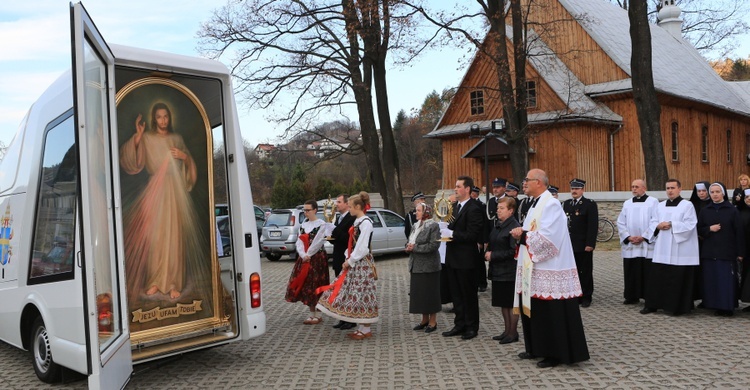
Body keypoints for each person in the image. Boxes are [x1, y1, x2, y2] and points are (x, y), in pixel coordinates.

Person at [120, 102, 207, 302]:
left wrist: (185, 157)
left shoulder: (177, 139)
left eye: (166, 116)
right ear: (154, 119)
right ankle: (155, 281)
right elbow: (130, 161)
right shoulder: (148, 138)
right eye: (159, 117)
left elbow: (190, 168)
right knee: (156, 237)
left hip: (175, 191)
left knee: (174, 237)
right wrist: (139, 135)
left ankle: (173, 283)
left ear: (170, 118)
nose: (163, 120)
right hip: (155, 192)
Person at [511, 169, 589, 368]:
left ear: (539, 182)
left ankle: (554, 353)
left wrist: (524, 234)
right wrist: (522, 235)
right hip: (534, 267)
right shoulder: (533, 204)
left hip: (550, 267)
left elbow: (549, 237)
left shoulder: (551, 204)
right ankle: (536, 348)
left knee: (551, 312)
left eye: (527, 180)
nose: (524, 183)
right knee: (536, 310)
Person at [317, 192, 378, 340]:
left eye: (350, 206)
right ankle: (361, 327)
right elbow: (352, 243)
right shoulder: (358, 222)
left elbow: (362, 247)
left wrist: (350, 260)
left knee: (363, 293)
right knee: (356, 293)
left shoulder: (366, 223)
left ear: (358, 207)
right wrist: (347, 256)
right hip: (355, 262)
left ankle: (366, 328)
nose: (349, 209)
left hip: (362, 263)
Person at [641, 179, 699, 316]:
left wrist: (672, 224)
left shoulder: (687, 205)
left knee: (676, 279)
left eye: (673, 188)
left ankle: (675, 307)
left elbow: (691, 224)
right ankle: (652, 305)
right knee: (657, 278)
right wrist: (658, 226)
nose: (670, 191)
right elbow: (653, 221)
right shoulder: (660, 206)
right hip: (662, 249)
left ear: (680, 189)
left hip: (680, 249)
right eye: (667, 188)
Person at [439, 176, 484, 340]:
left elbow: (473, 235)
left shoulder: (474, 208)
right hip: (453, 258)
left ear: (467, 189)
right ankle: (459, 324)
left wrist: (452, 234)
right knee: (456, 294)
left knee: (468, 294)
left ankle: (471, 327)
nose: (455, 189)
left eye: (458, 187)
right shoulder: (455, 207)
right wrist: (444, 228)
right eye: (455, 186)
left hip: (466, 259)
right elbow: (451, 226)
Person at [697, 183, 743, 316]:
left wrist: (740, 252)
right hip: (710, 251)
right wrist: (709, 229)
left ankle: (727, 307)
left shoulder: (732, 210)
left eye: (717, 191)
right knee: (712, 280)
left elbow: (739, 232)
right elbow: (699, 229)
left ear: (723, 193)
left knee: (725, 281)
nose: (715, 194)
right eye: (712, 192)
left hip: (726, 251)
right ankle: (714, 304)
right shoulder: (705, 210)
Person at [285, 200, 330, 324]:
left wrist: (309, 254)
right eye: (304, 210)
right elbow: (299, 241)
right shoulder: (303, 224)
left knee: (316, 283)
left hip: (317, 258)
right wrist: (303, 254)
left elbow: (319, 241)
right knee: (307, 285)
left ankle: (318, 314)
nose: (306, 212)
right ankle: (311, 313)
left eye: (308, 210)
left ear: (315, 210)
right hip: (305, 258)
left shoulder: (321, 224)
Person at [616, 179, 659, 304]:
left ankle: (648, 296)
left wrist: (644, 237)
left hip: (645, 243)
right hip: (631, 244)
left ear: (644, 188)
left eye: (636, 187)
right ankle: (631, 296)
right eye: (632, 186)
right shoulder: (627, 203)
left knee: (647, 271)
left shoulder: (653, 202)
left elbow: (655, 220)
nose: (634, 189)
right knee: (631, 270)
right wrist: (628, 237)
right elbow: (620, 222)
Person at [486, 197, 521, 344]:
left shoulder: (513, 227)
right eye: (498, 208)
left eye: (502, 208)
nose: (498, 211)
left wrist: (493, 255)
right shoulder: (499, 224)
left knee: (511, 304)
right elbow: (493, 241)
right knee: (503, 303)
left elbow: (514, 252)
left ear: (511, 211)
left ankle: (513, 332)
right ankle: (507, 331)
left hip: (509, 272)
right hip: (498, 270)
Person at [405, 203, 442, 333]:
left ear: (426, 212)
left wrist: (415, 248)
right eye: (416, 210)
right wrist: (408, 246)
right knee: (420, 294)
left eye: (419, 210)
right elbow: (410, 240)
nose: (416, 213)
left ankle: (433, 321)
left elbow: (433, 246)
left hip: (429, 266)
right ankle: (424, 319)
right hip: (416, 265)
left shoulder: (433, 226)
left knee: (430, 294)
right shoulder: (415, 226)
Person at [562, 178, 598, 307]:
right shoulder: (566, 204)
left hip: (583, 244)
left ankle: (587, 296)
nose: (574, 191)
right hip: (569, 245)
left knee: (585, 271)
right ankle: (576, 294)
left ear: (583, 190)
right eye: (572, 189)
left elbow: (592, 226)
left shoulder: (589, 204)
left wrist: (590, 244)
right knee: (573, 271)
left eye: (577, 189)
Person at [329, 194, 357, 330]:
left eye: (339, 202)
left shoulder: (352, 218)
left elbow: (348, 238)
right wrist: (329, 236)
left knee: (348, 290)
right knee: (340, 290)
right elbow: (335, 236)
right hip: (337, 257)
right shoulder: (338, 218)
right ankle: (342, 317)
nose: (337, 204)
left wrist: (335, 231)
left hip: (346, 257)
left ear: (346, 204)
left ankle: (350, 320)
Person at [689, 181, 711, 305]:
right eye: (699, 191)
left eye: (704, 191)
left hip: (708, 242)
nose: (701, 193)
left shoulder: (712, 204)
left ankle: (706, 298)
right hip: (693, 242)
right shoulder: (691, 204)